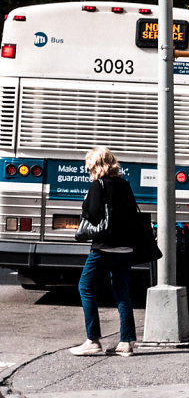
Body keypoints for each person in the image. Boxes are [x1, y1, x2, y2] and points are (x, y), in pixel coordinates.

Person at [70, 146, 139, 357]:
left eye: (89, 165)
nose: (87, 169)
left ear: (95, 165)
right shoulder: (125, 184)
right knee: (122, 293)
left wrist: (85, 202)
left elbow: (90, 215)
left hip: (104, 248)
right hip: (126, 248)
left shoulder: (98, 185)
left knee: (86, 287)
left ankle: (93, 340)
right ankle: (126, 343)